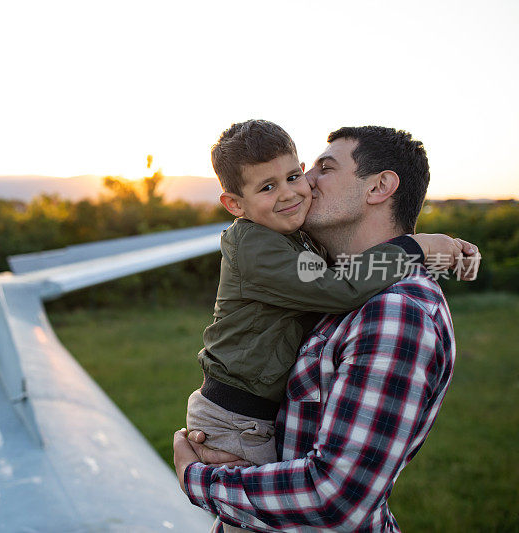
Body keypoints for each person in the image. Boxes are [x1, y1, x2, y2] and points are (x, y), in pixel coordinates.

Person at [174, 125, 480, 532]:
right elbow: (339, 280)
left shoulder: (396, 313)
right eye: (269, 186)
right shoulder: (306, 265)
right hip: (238, 418)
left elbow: (335, 500)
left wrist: (195, 478)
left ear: (379, 187)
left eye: (322, 168)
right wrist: (427, 250)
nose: (306, 184)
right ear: (235, 203)